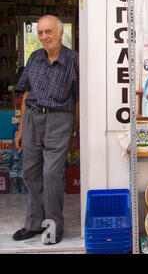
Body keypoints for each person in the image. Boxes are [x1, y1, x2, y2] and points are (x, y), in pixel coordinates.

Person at [13, 15, 79, 245]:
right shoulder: (34, 57)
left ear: (61, 33)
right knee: (30, 172)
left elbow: (77, 99)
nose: (44, 37)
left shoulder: (73, 60)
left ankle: (53, 226)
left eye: (48, 32)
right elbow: (26, 93)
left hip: (60, 120)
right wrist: (21, 129)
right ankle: (33, 223)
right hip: (32, 119)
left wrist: (75, 132)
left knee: (51, 175)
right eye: (40, 33)